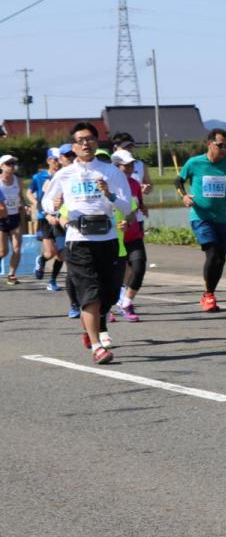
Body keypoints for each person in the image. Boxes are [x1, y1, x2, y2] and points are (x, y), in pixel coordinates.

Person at [41, 122, 132, 364]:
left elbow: (125, 206)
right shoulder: (64, 174)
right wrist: (56, 206)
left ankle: (90, 327)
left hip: (108, 239)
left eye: (90, 139)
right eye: (80, 140)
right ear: (74, 146)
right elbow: (47, 202)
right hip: (78, 241)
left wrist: (109, 195)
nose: (85, 143)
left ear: (96, 142)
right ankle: (97, 345)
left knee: (109, 294)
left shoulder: (112, 172)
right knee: (91, 294)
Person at [177, 129, 226, 312]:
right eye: (220, 145)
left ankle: (210, 291)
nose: (224, 149)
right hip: (201, 217)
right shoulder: (194, 163)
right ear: (209, 144)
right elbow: (178, 181)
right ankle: (208, 295)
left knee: (221, 257)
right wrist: (184, 196)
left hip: (221, 218)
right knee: (212, 252)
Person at [111, 149, 150, 322]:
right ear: (115, 166)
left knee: (139, 267)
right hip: (110, 237)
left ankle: (126, 303)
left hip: (133, 234)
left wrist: (141, 209)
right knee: (113, 274)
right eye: (125, 165)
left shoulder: (134, 184)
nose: (129, 168)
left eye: (131, 164)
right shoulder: (107, 184)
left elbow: (136, 206)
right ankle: (106, 308)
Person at [28, 147, 66, 292]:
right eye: (55, 159)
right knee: (50, 252)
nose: (58, 162)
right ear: (49, 160)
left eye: (59, 159)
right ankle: (42, 260)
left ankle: (53, 280)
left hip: (60, 218)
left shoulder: (64, 175)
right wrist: (34, 203)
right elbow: (30, 192)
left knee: (62, 254)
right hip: (44, 218)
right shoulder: (39, 177)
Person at [0, 154, 26, 285]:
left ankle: (11, 275)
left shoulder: (17, 180)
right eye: (8, 163)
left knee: (17, 247)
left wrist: (23, 204)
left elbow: (20, 195)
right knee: (3, 251)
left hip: (15, 216)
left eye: (13, 163)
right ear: (1, 166)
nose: (11, 166)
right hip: (1, 219)